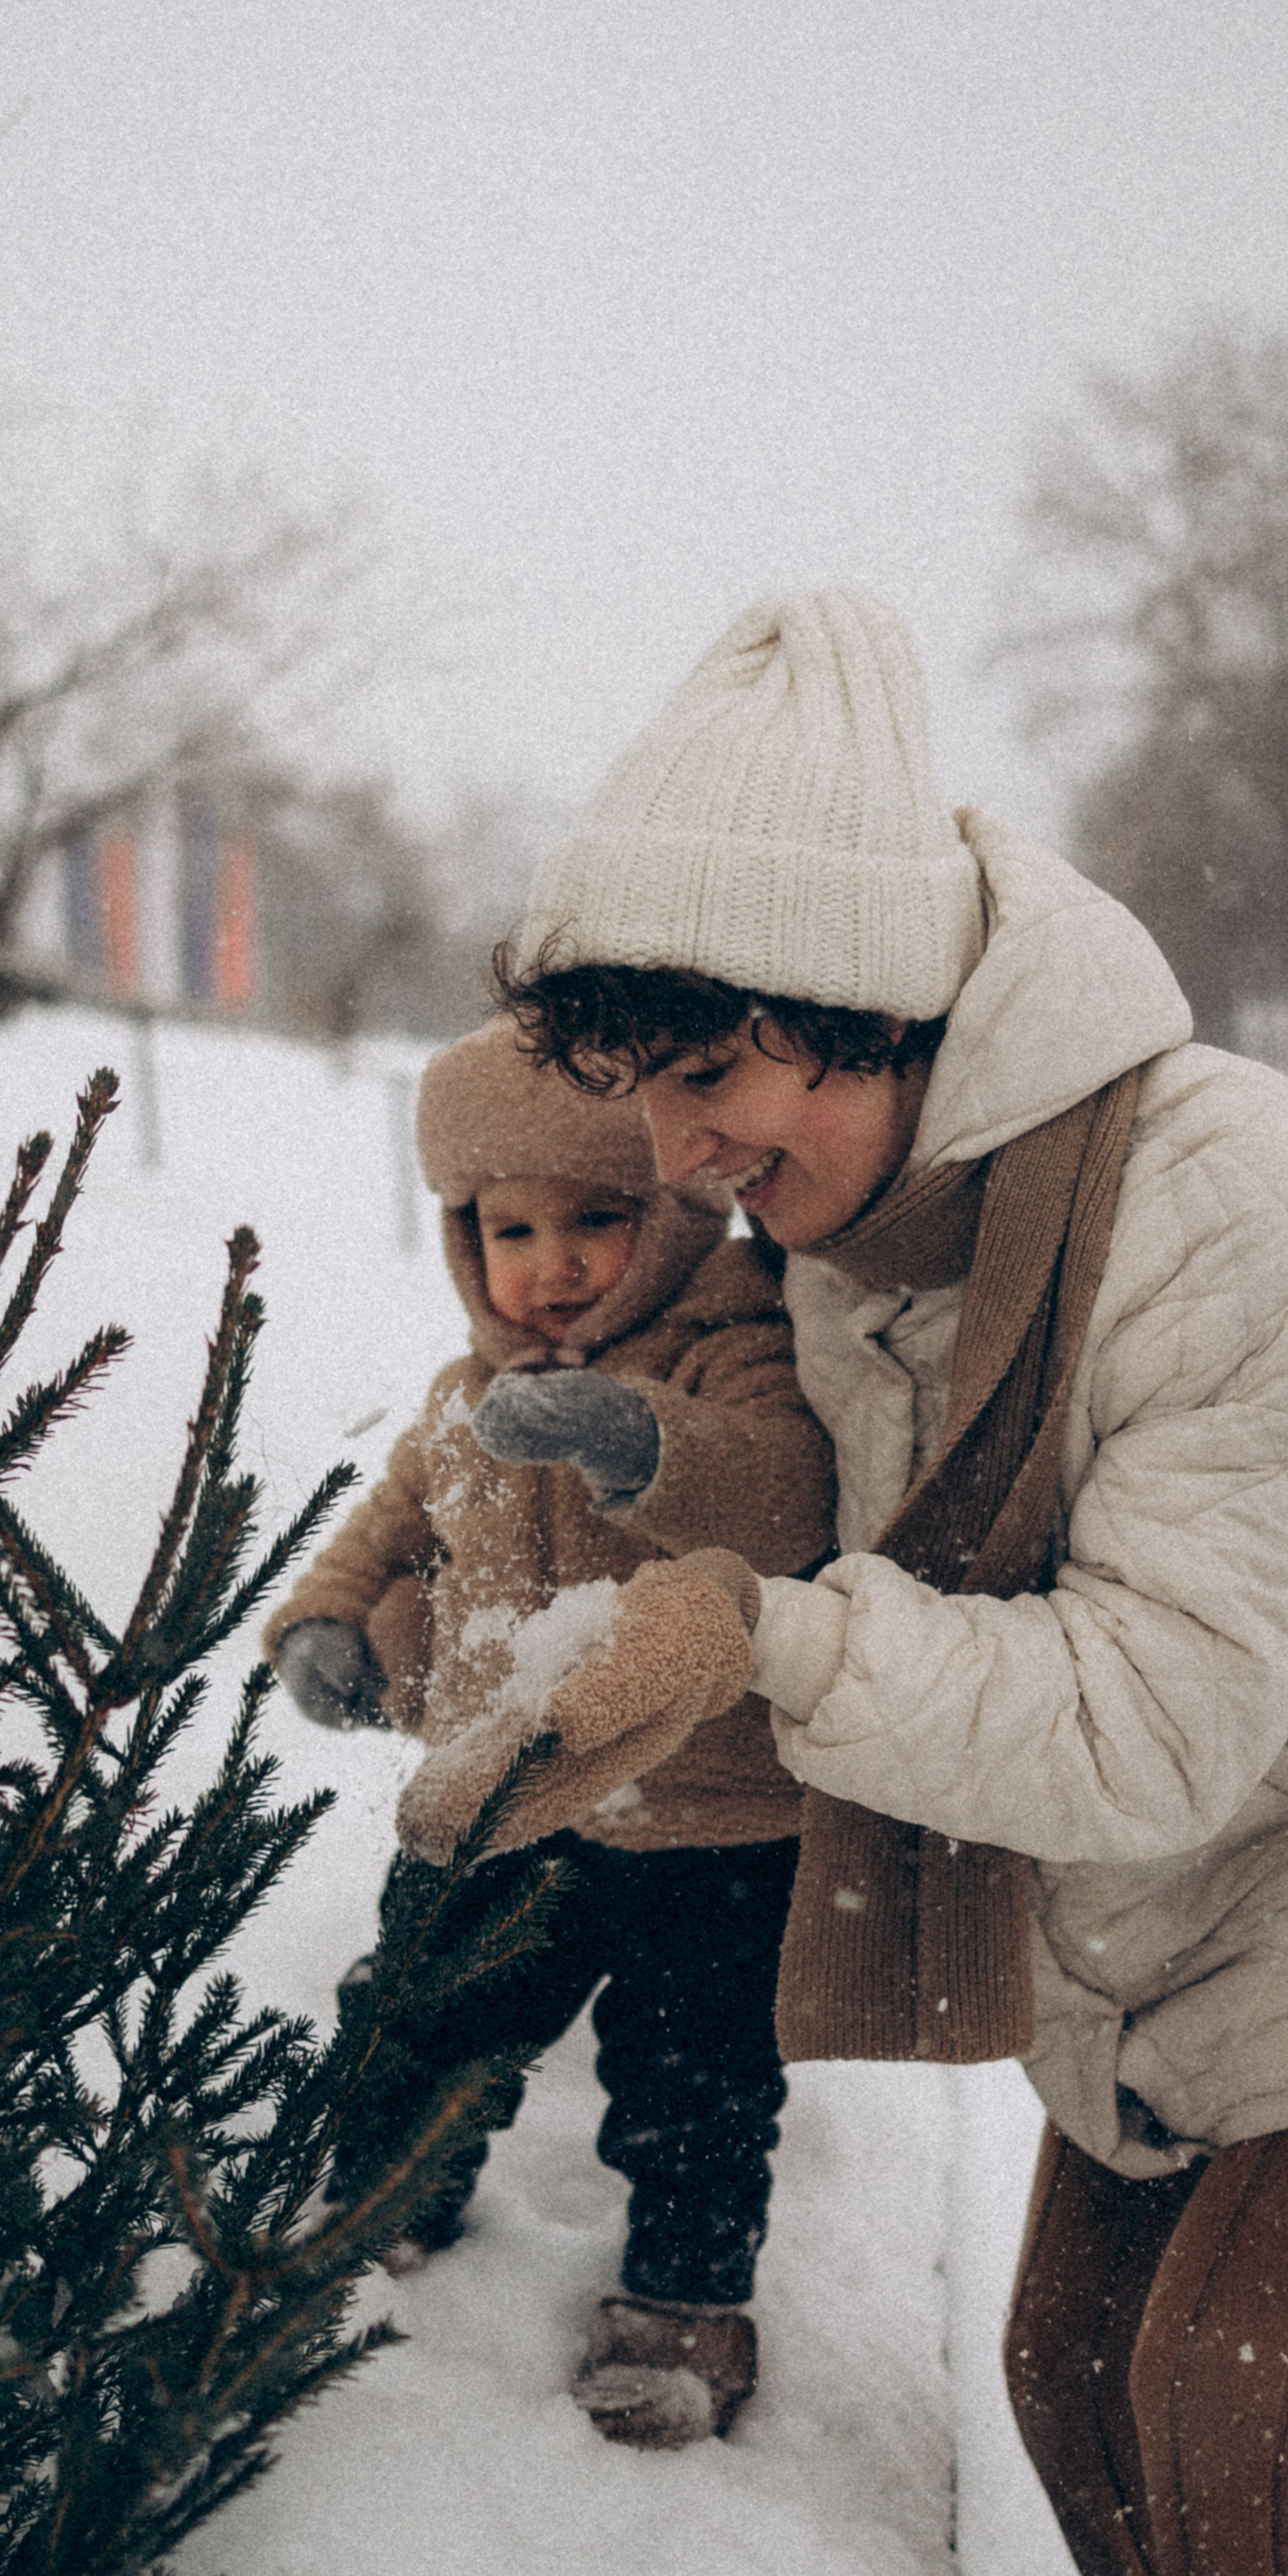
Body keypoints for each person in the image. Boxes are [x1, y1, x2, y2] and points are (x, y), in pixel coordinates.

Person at [458, 585, 1288, 2576]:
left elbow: (1154, 1714)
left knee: (1254, 2430)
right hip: (1171, 1930)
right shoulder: (870, 1248)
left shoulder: (1226, 1206)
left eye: (713, 1080)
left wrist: (764, 1644)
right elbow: (784, 1523)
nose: (684, 1155)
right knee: (1071, 2387)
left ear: (873, 1017)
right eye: (649, 1091)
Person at [263, 1015, 834, 2446]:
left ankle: (685, 2300)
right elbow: (383, 1531)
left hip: (709, 1810)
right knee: (425, 2008)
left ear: (676, 1212)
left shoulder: (729, 1347)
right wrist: (326, 1622)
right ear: (465, 1243)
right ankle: (388, 2194)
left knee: (694, 2076)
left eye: (597, 1219)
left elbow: (783, 1496)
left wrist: (632, 1438)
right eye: (509, 1230)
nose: (553, 1263)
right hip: (504, 1794)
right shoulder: (466, 1396)